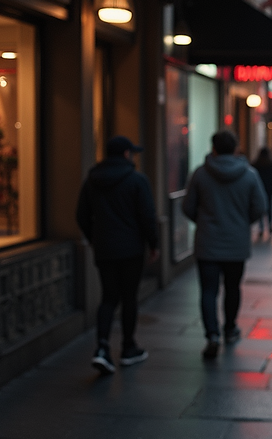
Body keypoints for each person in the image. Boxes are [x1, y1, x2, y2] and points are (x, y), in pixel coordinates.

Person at [76, 135, 159, 374]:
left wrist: (94, 238)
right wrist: (153, 244)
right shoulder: (137, 180)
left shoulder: (92, 180)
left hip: (105, 248)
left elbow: (81, 214)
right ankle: (127, 348)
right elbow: (147, 216)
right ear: (125, 154)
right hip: (131, 249)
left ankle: (102, 347)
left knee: (108, 297)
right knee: (129, 297)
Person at [183, 131, 267, 358]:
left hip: (207, 243)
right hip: (236, 244)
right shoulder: (249, 175)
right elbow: (259, 207)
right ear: (236, 149)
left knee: (208, 290)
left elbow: (187, 207)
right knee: (232, 288)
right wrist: (241, 224)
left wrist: (204, 222)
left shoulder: (200, 174)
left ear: (214, 149)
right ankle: (230, 328)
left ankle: (212, 334)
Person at [252, 147, 272, 239]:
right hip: (269, 188)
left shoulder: (256, 164)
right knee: (269, 207)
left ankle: (261, 227)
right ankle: (270, 225)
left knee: (260, 207)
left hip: (259, 188)